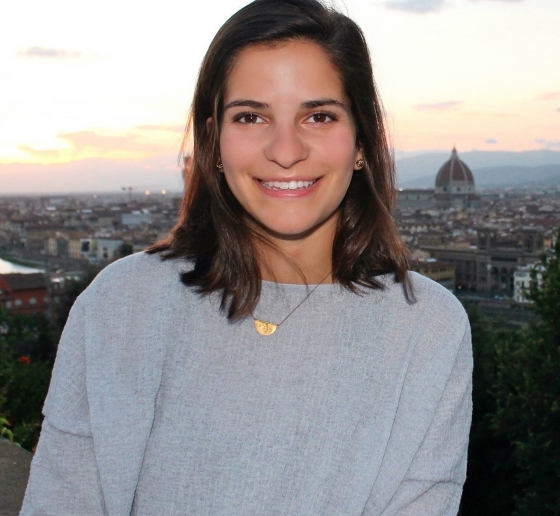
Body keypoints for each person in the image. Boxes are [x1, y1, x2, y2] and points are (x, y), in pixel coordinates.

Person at [21, 0, 472, 514]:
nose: (285, 149)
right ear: (212, 140)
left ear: (363, 141)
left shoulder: (427, 329)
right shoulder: (122, 306)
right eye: (252, 116)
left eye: (319, 115)